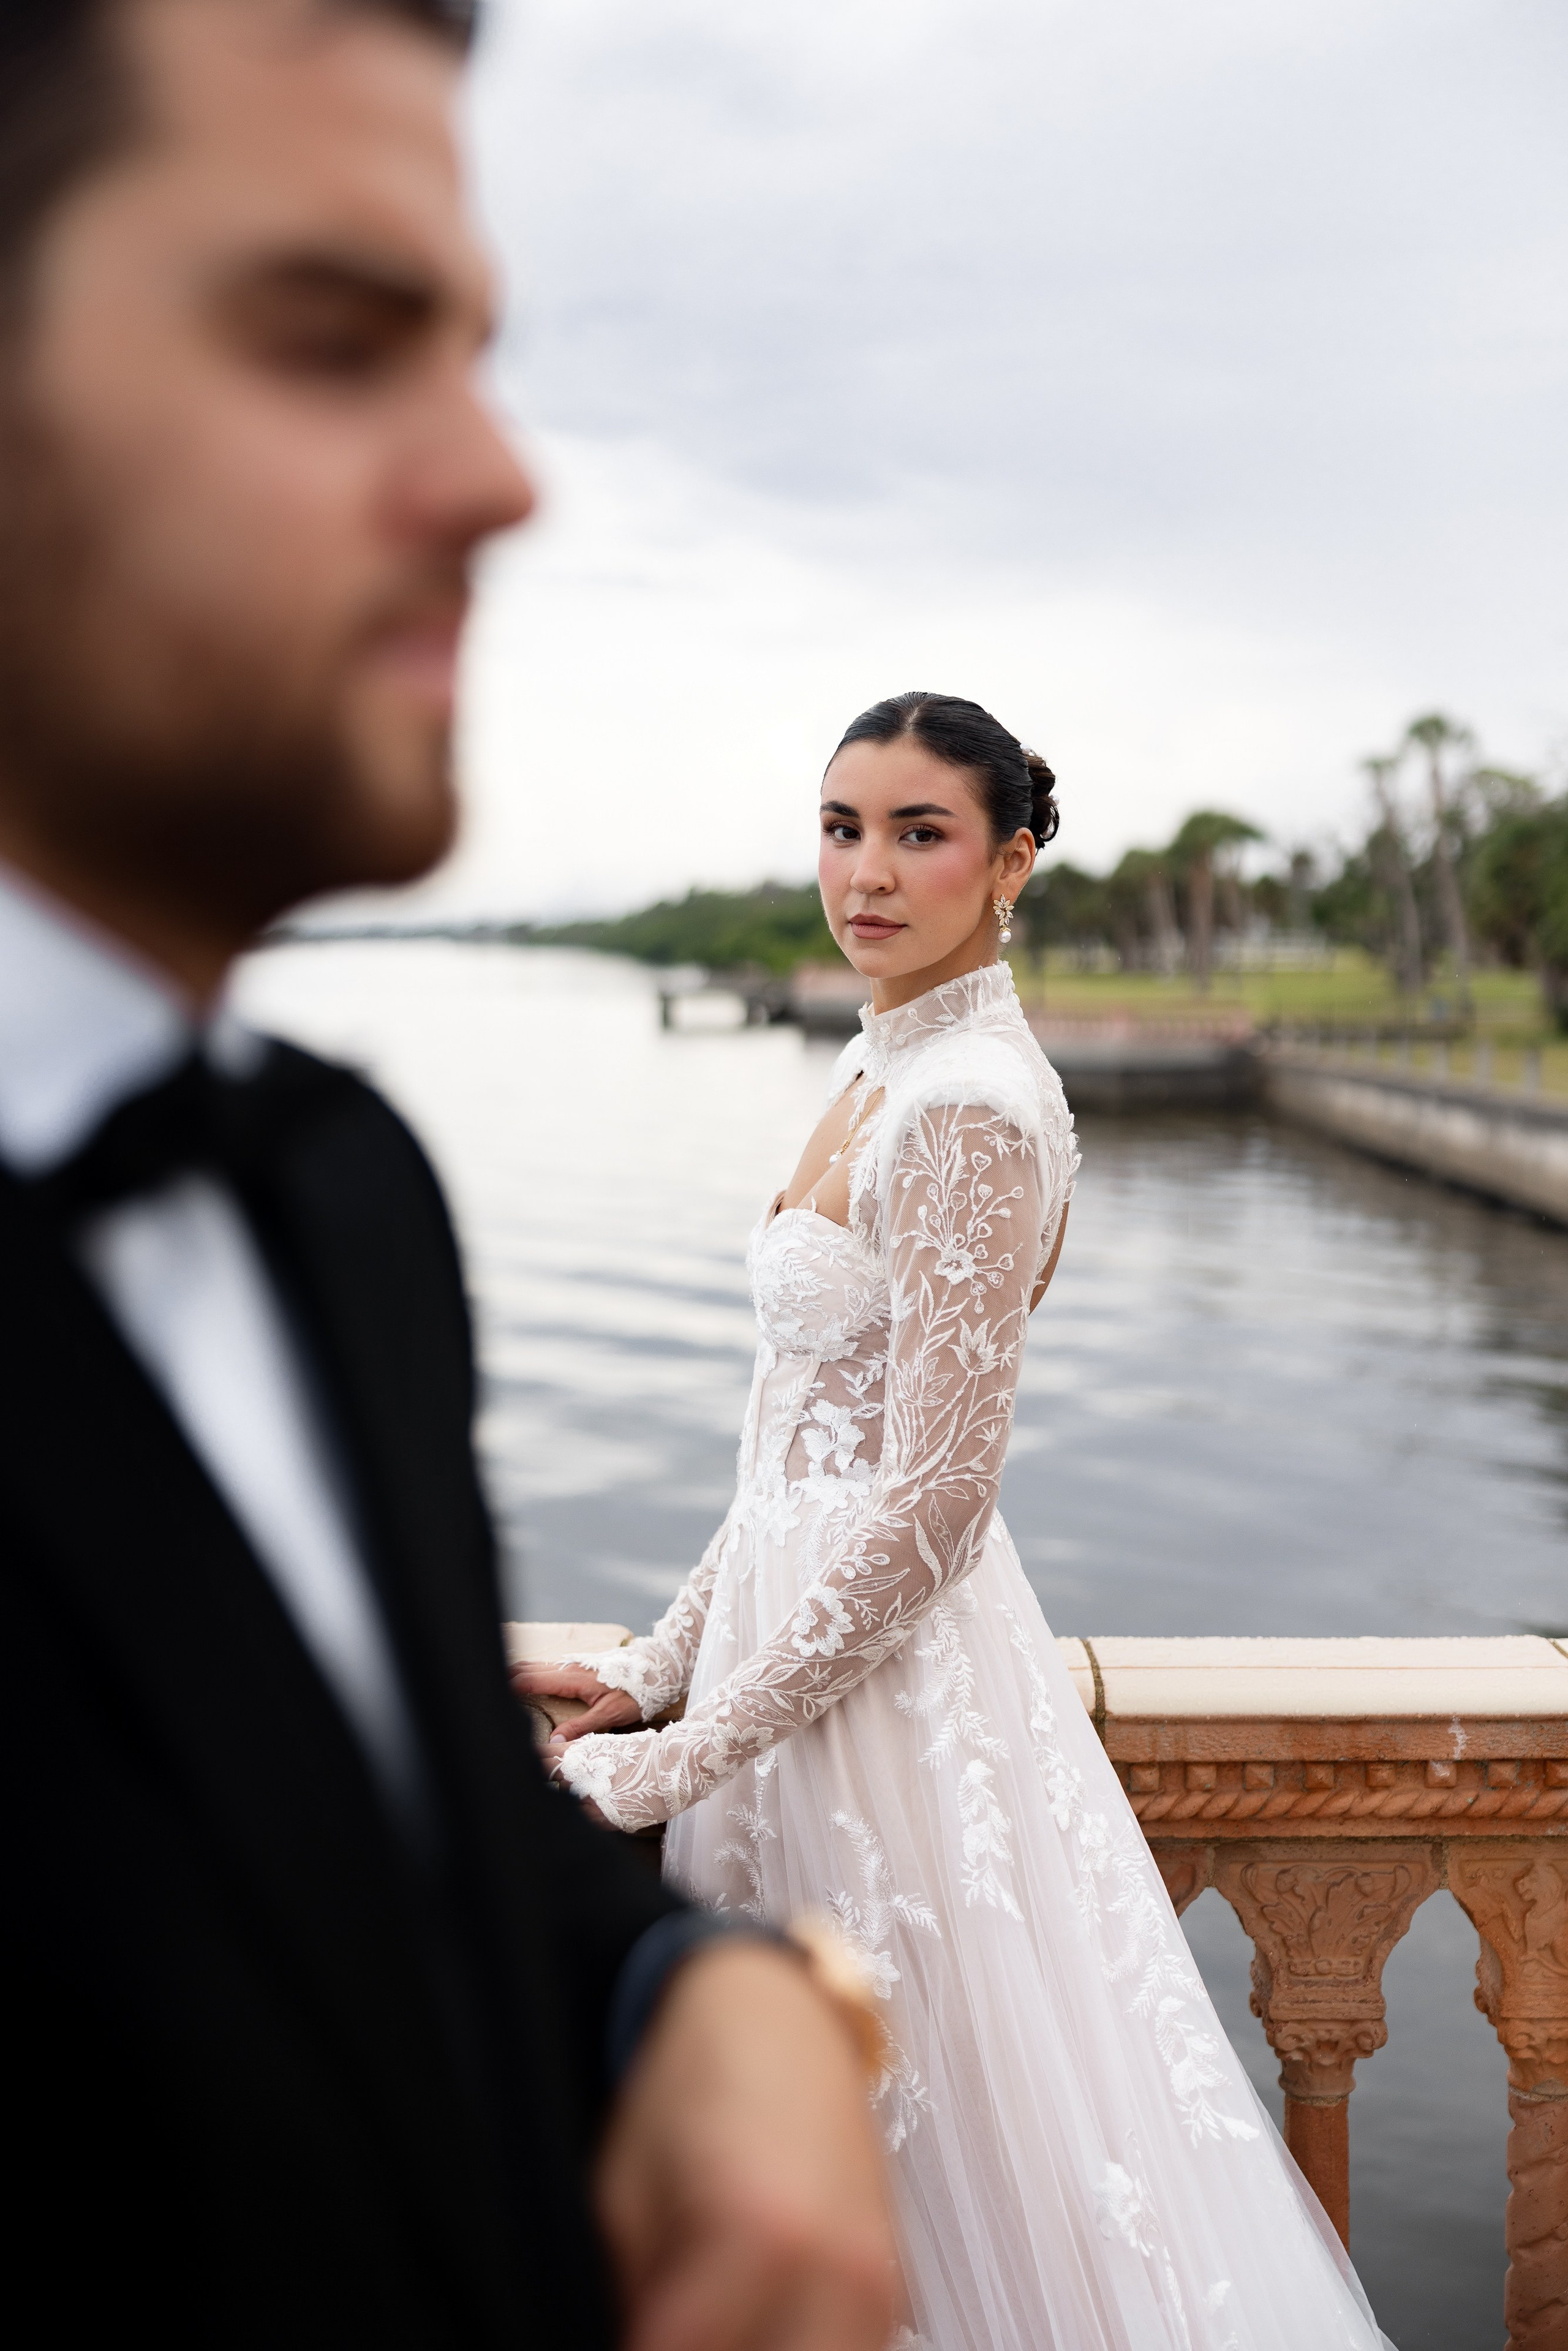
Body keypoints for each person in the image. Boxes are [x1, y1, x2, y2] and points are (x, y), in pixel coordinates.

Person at [0, 3, 898, 2345]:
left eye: (477, 354)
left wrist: (674, 1994)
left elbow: (404, 1860)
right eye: (331, 341)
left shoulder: (346, 1196)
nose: (503, 476)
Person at [519, 692, 1394, 2350]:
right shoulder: (877, 1058)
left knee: (932, 2184)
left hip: (891, 1716)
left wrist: (671, 1761)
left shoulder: (970, 1102)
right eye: (843, 826)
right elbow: (789, 1457)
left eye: (920, 834)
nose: (866, 871)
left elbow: (931, 1503)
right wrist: (651, 1669)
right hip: (792, 1683)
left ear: (1012, 865)